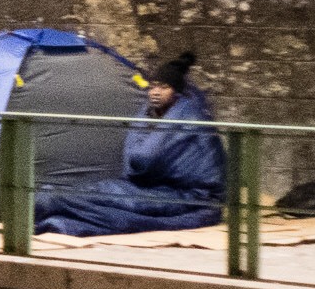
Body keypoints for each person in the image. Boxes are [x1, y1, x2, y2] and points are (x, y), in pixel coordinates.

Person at [34, 51, 223, 235]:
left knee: (92, 202)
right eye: (153, 86)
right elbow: (137, 161)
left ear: (177, 92)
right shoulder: (149, 114)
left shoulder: (188, 117)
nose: (155, 92)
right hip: (144, 187)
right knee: (94, 193)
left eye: (164, 87)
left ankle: (51, 207)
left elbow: (145, 159)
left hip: (189, 197)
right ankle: (51, 207)